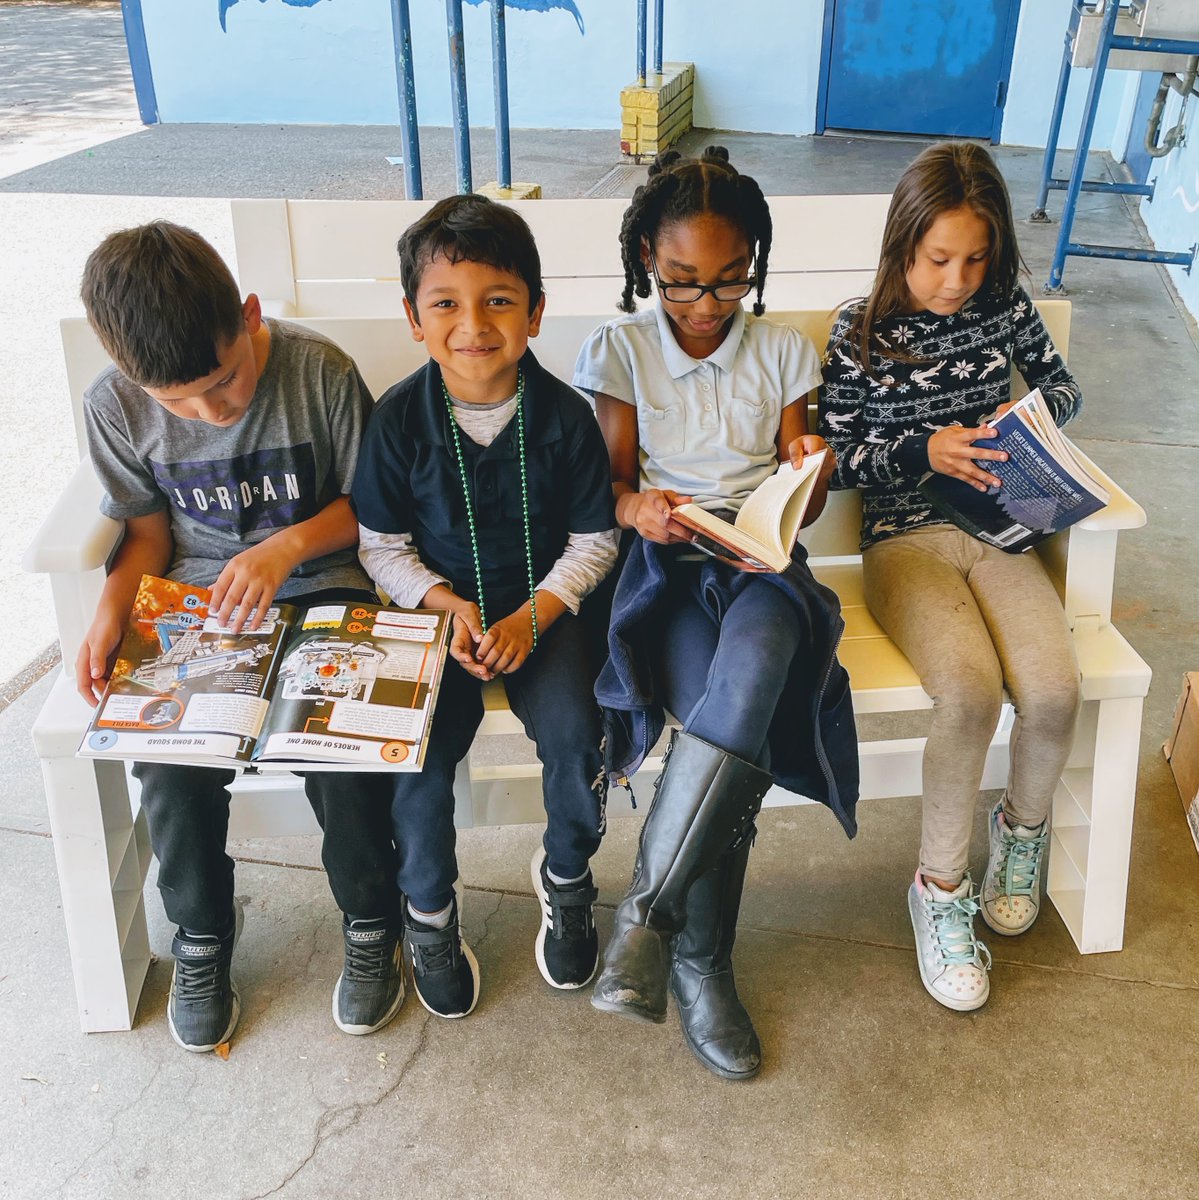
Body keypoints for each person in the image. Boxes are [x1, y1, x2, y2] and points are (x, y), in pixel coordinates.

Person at [77, 221, 406, 1051]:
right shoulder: (114, 404)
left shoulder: (319, 370)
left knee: (339, 751)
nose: (209, 411)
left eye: (222, 381)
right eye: (177, 402)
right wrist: (113, 606)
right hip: (196, 608)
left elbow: (371, 506)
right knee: (168, 764)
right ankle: (200, 935)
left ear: (251, 315)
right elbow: (145, 535)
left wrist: (284, 547)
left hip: (323, 585)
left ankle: (373, 918)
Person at [574, 146, 859, 1080]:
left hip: (762, 570)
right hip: (668, 570)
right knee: (728, 722)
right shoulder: (619, 351)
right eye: (681, 280)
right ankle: (701, 966)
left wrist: (808, 472)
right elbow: (608, 488)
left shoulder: (781, 353)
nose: (704, 303)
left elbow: (799, 505)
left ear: (754, 264)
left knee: (759, 659)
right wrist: (638, 509)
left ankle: (647, 923)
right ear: (645, 260)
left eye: (729, 279)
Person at [819, 141, 1083, 1012]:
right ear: (902, 243)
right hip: (904, 544)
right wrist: (920, 449)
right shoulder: (858, 331)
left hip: (1001, 532)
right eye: (937, 259)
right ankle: (938, 890)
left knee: (1053, 691)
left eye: (974, 259)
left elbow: (1063, 389)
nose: (956, 280)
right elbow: (835, 460)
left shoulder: (1002, 308)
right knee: (968, 693)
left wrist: (1027, 416)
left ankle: (1020, 833)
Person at [352, 194, 618, 1019]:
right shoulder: (397, 420)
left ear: (534, 312)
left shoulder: (567, 418)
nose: (472, 325)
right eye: (445, 304)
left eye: (498, 300)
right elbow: (379, 545)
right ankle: (429, 912)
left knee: (577, 737)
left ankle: (567, 875)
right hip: (438, 620)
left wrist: (532, 616)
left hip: (545, 612)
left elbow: (594, 542)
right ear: (413, 318)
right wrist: (444, 605)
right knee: (417, 757)